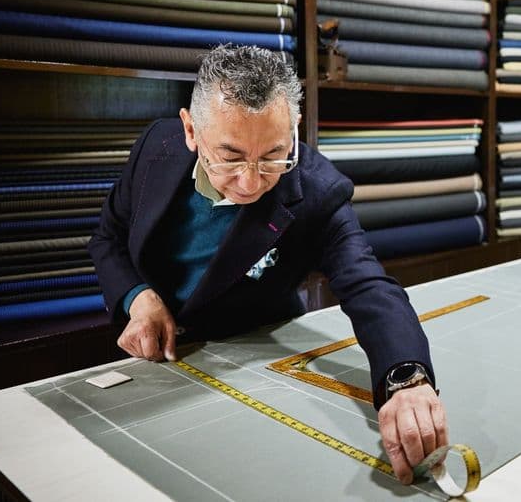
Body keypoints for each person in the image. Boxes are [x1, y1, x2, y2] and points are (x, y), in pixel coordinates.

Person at [88, 44, 446, 485]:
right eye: (231, 157)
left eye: (274, 155)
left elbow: (368, 284)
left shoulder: (317, 191)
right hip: (149, 365)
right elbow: (108, 237)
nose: (251, 181)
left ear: (293, 128)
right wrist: (138, 298)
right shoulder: (155, 147)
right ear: (191, 130)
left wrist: (405, 377)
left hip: (256, 365)